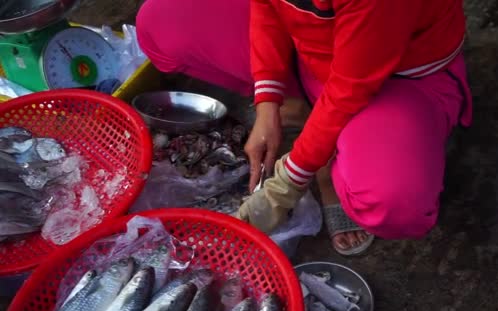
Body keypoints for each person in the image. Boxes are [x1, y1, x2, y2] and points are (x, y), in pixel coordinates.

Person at [136, 0, 472, 256]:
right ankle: (309, 115)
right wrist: (267, 99)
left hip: (395, 75)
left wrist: (287, 183)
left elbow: (351, 86)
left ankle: (333, 156)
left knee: (393, 203)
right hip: (312, 51)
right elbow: (267, 5)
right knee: (158, 23)